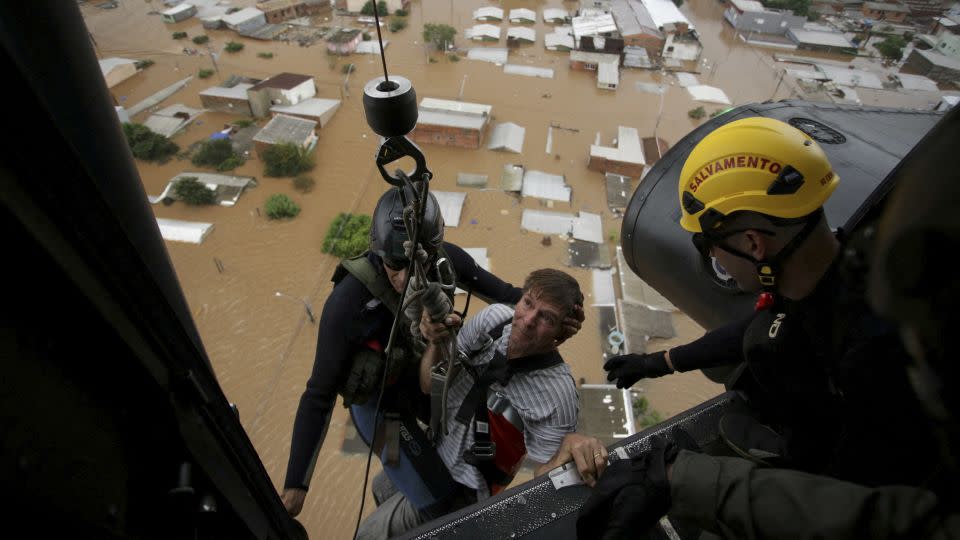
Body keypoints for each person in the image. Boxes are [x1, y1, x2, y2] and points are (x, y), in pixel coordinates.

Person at [578, 108, 960, 540]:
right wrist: (661, 361)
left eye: (710, 247)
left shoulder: (875, 360)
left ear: (753, 244)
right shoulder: (834, 271)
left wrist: (687, 483)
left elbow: (843, 506)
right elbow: (765, 325)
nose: (715, 262)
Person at [281, 186, 583, 523]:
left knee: (429, 478)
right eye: (396, 264)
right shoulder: (348, 303)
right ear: (378, 253)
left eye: (417, 263)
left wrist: (562, 320)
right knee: (442, 507)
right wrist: (296, 485)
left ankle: (396, 498)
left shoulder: (445, 262)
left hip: (428, 387)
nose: (407, 276)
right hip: (382, 407)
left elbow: (513, 300)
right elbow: (318, 394)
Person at [357, 268, 606, 538]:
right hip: (433, 448)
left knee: (369, 535)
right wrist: (436, 341)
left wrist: (568, 448)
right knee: (382, 487)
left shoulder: (558, 394)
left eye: (547, 317)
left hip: (462, 491)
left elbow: (545, 480)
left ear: (561, 332)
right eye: (528, 303)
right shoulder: (494, 320)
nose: (528, 320)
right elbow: (429, 384)